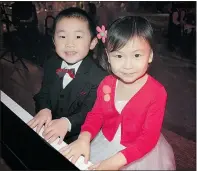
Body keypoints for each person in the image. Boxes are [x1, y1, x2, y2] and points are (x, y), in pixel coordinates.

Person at [60, 16, 176, 170]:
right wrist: (84, 137)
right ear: (108, 57)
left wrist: (115, 162)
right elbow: (96, 115)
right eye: (119, 56)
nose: (127, 65)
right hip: (107, 141)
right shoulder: (107, 83)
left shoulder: (157, 93)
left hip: (137, 153)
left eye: (137, 55)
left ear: (150, 56)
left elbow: (147, 139)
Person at [27, 7, 107, 144]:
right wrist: (44, 108)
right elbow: (44, 91)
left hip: (75, 137)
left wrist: (67, 123)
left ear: (92, 42)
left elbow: (90, 113)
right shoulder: (51, 63)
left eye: (78, 36)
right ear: (53, 41)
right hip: (48, 127)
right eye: (62, 36)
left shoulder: (99, 78)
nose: (69, 44)